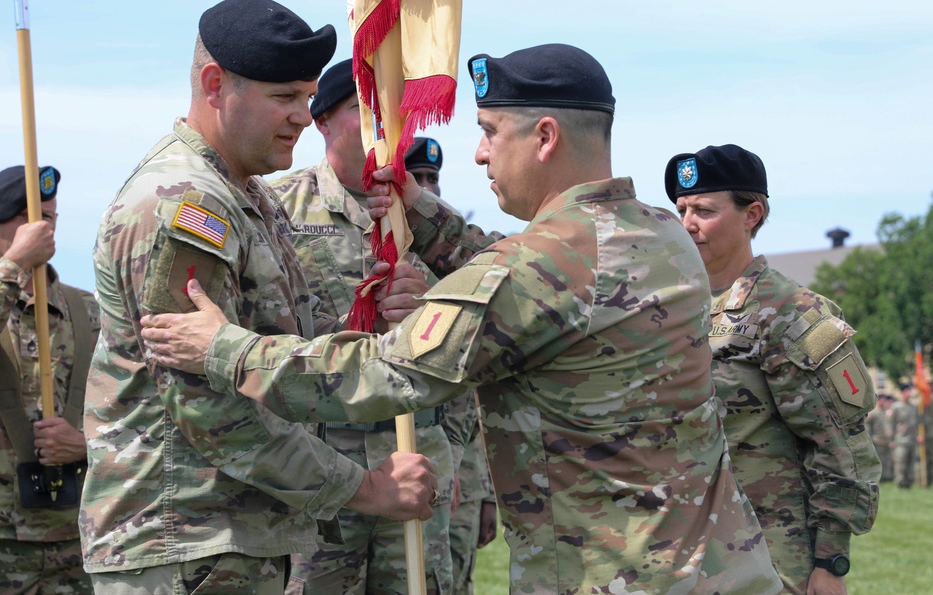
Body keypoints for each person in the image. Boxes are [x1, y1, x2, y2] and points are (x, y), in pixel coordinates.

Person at [141, 43, 782, 595]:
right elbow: (530, 275)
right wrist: (419, 208)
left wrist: (225, 349)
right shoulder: (661, 233)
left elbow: (385, 372)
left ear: (546, 137)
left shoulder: (535, 266)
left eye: (490, 131)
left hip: (612, 572)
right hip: (722, 565)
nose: (476, 154)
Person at [80, 0, 436, 595]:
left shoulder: (246, 195)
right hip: (182, 541)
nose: (303, 115)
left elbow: (266, 352)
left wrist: (384, 325)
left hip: (230, 538)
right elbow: (208, 406)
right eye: (283, 98)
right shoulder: (186, 205)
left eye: (306, 95)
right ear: (216, 85)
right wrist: (363, 488)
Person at [269, 61, 467, 595]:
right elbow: (265, 337)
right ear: (322, 123)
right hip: (323, 469)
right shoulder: (276, 210)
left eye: (394, 112)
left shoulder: (428, 221)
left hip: (416, 457)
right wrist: (364, 324)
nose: (385, 126)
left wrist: (427, 316)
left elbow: (474, 339)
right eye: (365, 109)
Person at [664, 144, 880, 595]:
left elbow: (839, 443)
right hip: (680, 553)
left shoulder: (788, 311)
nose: (688, 224)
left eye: (704, 210)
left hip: (769, 555)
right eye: (681, 209)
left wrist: (829, 562)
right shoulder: (673, 308)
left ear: (752, 214)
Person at [402, 136, 498, 595]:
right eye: (415, 178)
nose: (426, 186)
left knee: (451, 581)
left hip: (457, 468)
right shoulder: (379, 247)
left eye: (431, 179)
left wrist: (482, 490)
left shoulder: (455, 256)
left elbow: (478, 384)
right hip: (379, 468)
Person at [0, 166, 99, 595]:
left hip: (74, 537)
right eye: (25, 217)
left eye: (49, 217)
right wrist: (15, 264)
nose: (40, 227)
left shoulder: (89, 311)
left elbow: (137, 408)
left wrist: (86, 443)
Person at [890, 383, 920, 489]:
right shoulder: (896, 407)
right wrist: (891, 440)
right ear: (903, 392)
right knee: (900, 463)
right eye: (907, 391)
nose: (910, 393)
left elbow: (917, 423)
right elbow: (891, 424)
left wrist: (918, 435)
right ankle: (900, 482)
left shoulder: (914, 407)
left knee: (911, 463)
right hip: (901, 440)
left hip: (912, 439)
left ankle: (909, 482)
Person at [868, 393, 894, 482]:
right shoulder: (873, 413)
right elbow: (868, 427)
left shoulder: (885, 413)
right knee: (879, 461)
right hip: (877, 440)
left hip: (886, 441)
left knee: (887, 460)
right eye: (881, 400)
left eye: (884, 400)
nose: (883, 402)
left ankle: (887, 476)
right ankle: (879, 478)